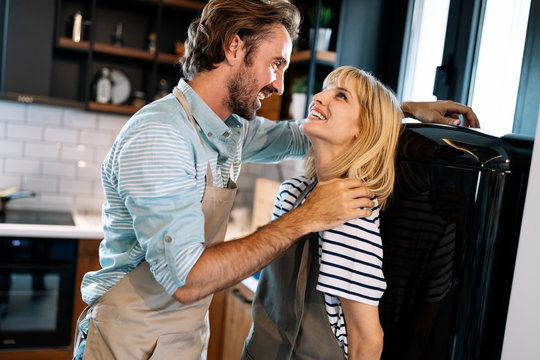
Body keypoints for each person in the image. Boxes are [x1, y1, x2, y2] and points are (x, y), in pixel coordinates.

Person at [73, 0, 479, 359]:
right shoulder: (162, 136)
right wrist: (306, 217)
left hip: (179, 339)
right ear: (235, 47)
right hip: (127, 340)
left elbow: (305, 131)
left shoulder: (227, 129)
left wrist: (399, 108)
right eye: (276, 63)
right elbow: (187, 280)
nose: (279, 83)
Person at [242, 66, 402, 360]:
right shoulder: (293, 192)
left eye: (340, 95)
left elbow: (368, 341)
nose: (320, 96)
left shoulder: (352, 214)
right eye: (326, 88)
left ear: (363, 130)